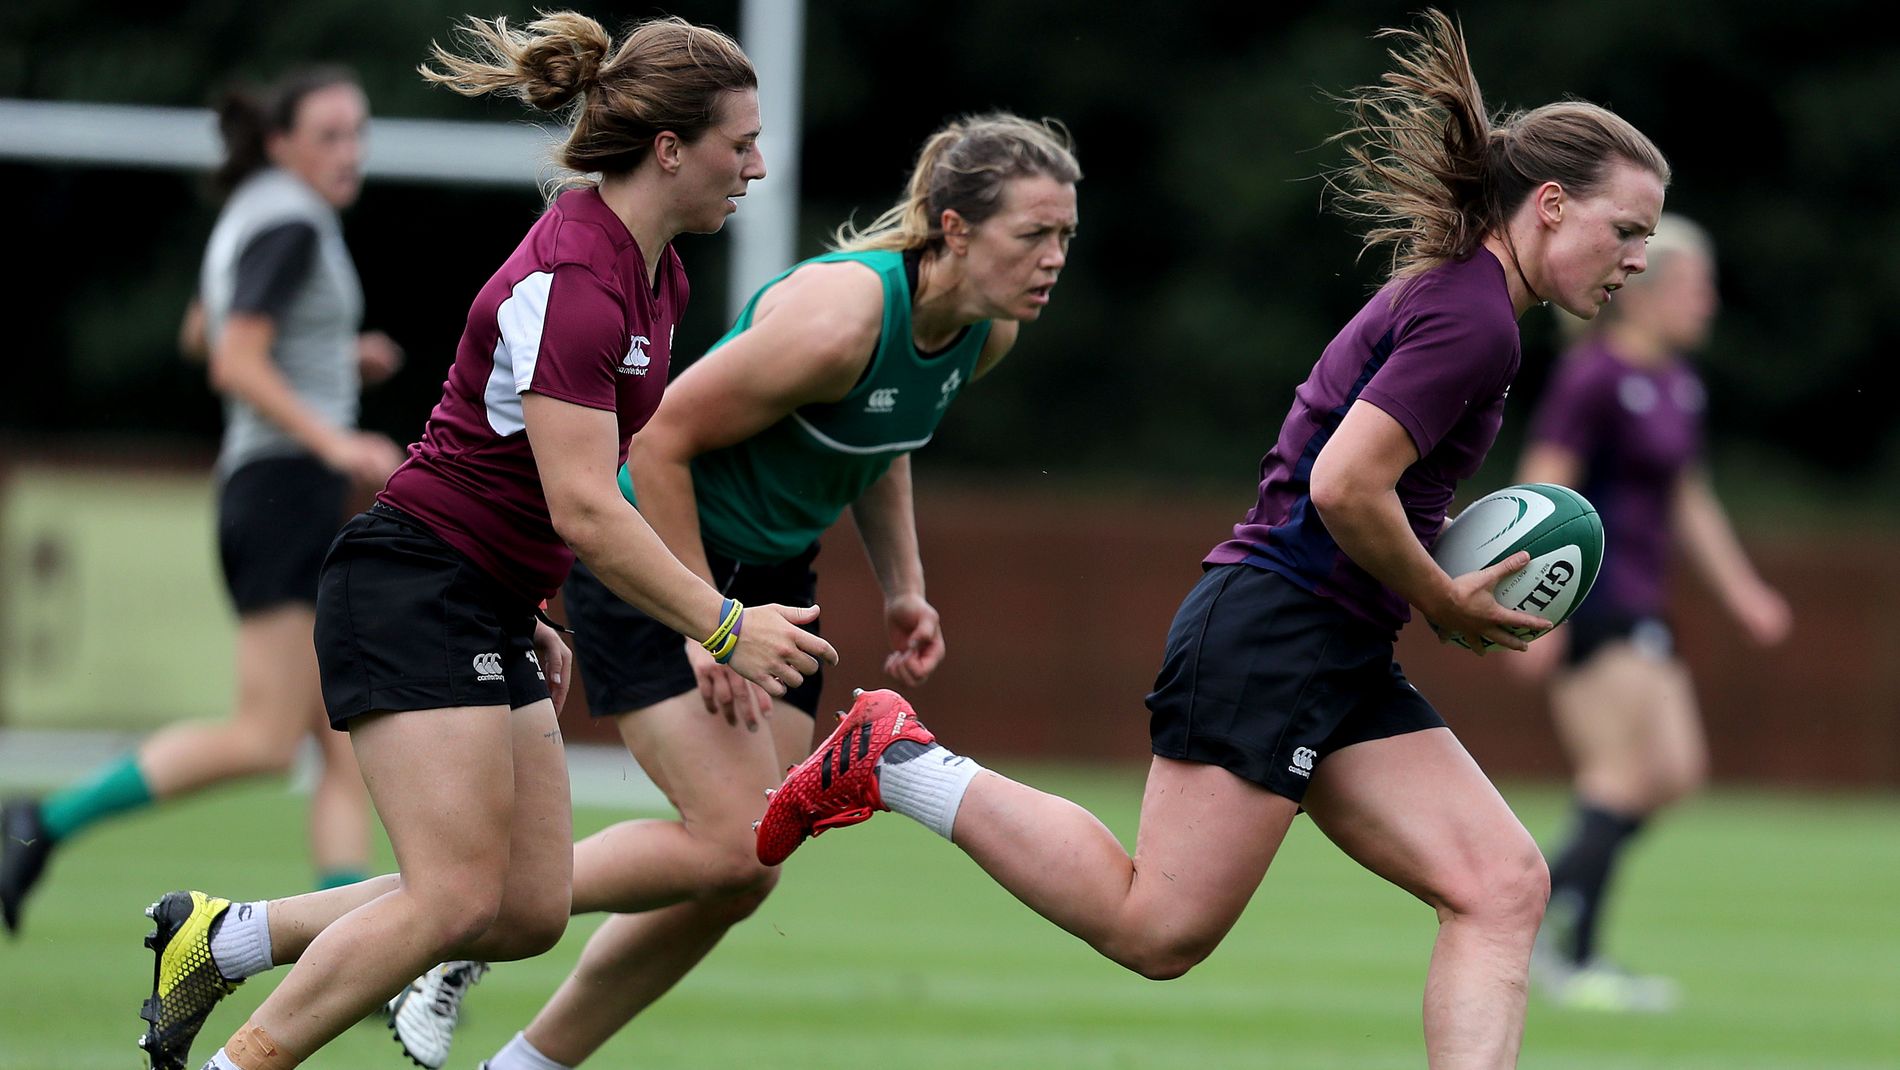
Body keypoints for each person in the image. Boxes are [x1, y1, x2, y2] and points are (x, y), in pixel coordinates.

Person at [755, 10, 1670, 1068]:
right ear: (1551, 206)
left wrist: (1414, 595)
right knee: (1159, 930)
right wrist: (1443, 595)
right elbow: (1342, 484)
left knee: (1501, 882)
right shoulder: (1475, 318)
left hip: (1334, 641)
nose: (1637, 257)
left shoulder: (1472, 302)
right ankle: (897, 757)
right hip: (1274, 628)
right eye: (1628, 229)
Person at [128, 14, 835, 1070]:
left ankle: (228, 936)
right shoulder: (580, 283)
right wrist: (724, 624)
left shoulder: (659, 277)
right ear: (672, 148)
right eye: (742, 143)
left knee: (522, 908)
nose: (758, 166)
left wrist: (535, 607)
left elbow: (554, 480)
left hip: (485, 595)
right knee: (452, 893)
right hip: (411, 581)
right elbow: (587, 506)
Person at [386, 114, 1082, 1070]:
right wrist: (705, 623)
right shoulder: (840, 319)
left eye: (1065, 239)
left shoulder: (983, 330)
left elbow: (884, 442)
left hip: (775, 577)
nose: (1053, 260)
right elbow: (660, 439)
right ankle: (445, 923)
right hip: (662, 560)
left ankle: (523, 1055)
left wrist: (904, 590)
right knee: (728, 843)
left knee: (746, 868)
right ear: (955, 229)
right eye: (1032, 236)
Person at [0, 66, 405, 937]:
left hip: (272, 489)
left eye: (358, 133)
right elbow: (233, 359)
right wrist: (335, 438)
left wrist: (336, 354)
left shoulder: (251, 214)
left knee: (341, 735)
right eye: (329, 135)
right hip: (285, 489)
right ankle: (41, 820)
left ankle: (353, 936)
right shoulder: (292, 224)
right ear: (281, 143)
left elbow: (200, 328)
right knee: (265, 737)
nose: (350, 152)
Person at [1510, 214, 1791, 1011]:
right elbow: (1543, 490)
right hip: (1593, 599)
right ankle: (1574, 955)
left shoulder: (1678, 384)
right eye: (1696, 289)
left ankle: (1530, 905)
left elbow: (1689, 500)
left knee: (1674, 772)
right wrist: (1535, 612)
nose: (1708, 306)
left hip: (1645, 598)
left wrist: (1744, 593)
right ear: (1647, 295)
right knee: (1618, 773)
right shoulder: (1591, 378)